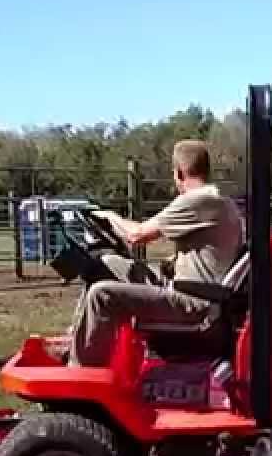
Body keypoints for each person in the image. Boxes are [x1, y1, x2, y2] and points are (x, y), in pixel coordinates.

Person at [66, 140, 242, 367]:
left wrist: (108, 217)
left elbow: (137, 235)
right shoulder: (219, 201)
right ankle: (78, 341)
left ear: (179, 173)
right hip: (192, 289)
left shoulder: (198, 200)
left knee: (102, 295)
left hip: (194, 303)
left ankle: (80, 373)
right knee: (106, 263)